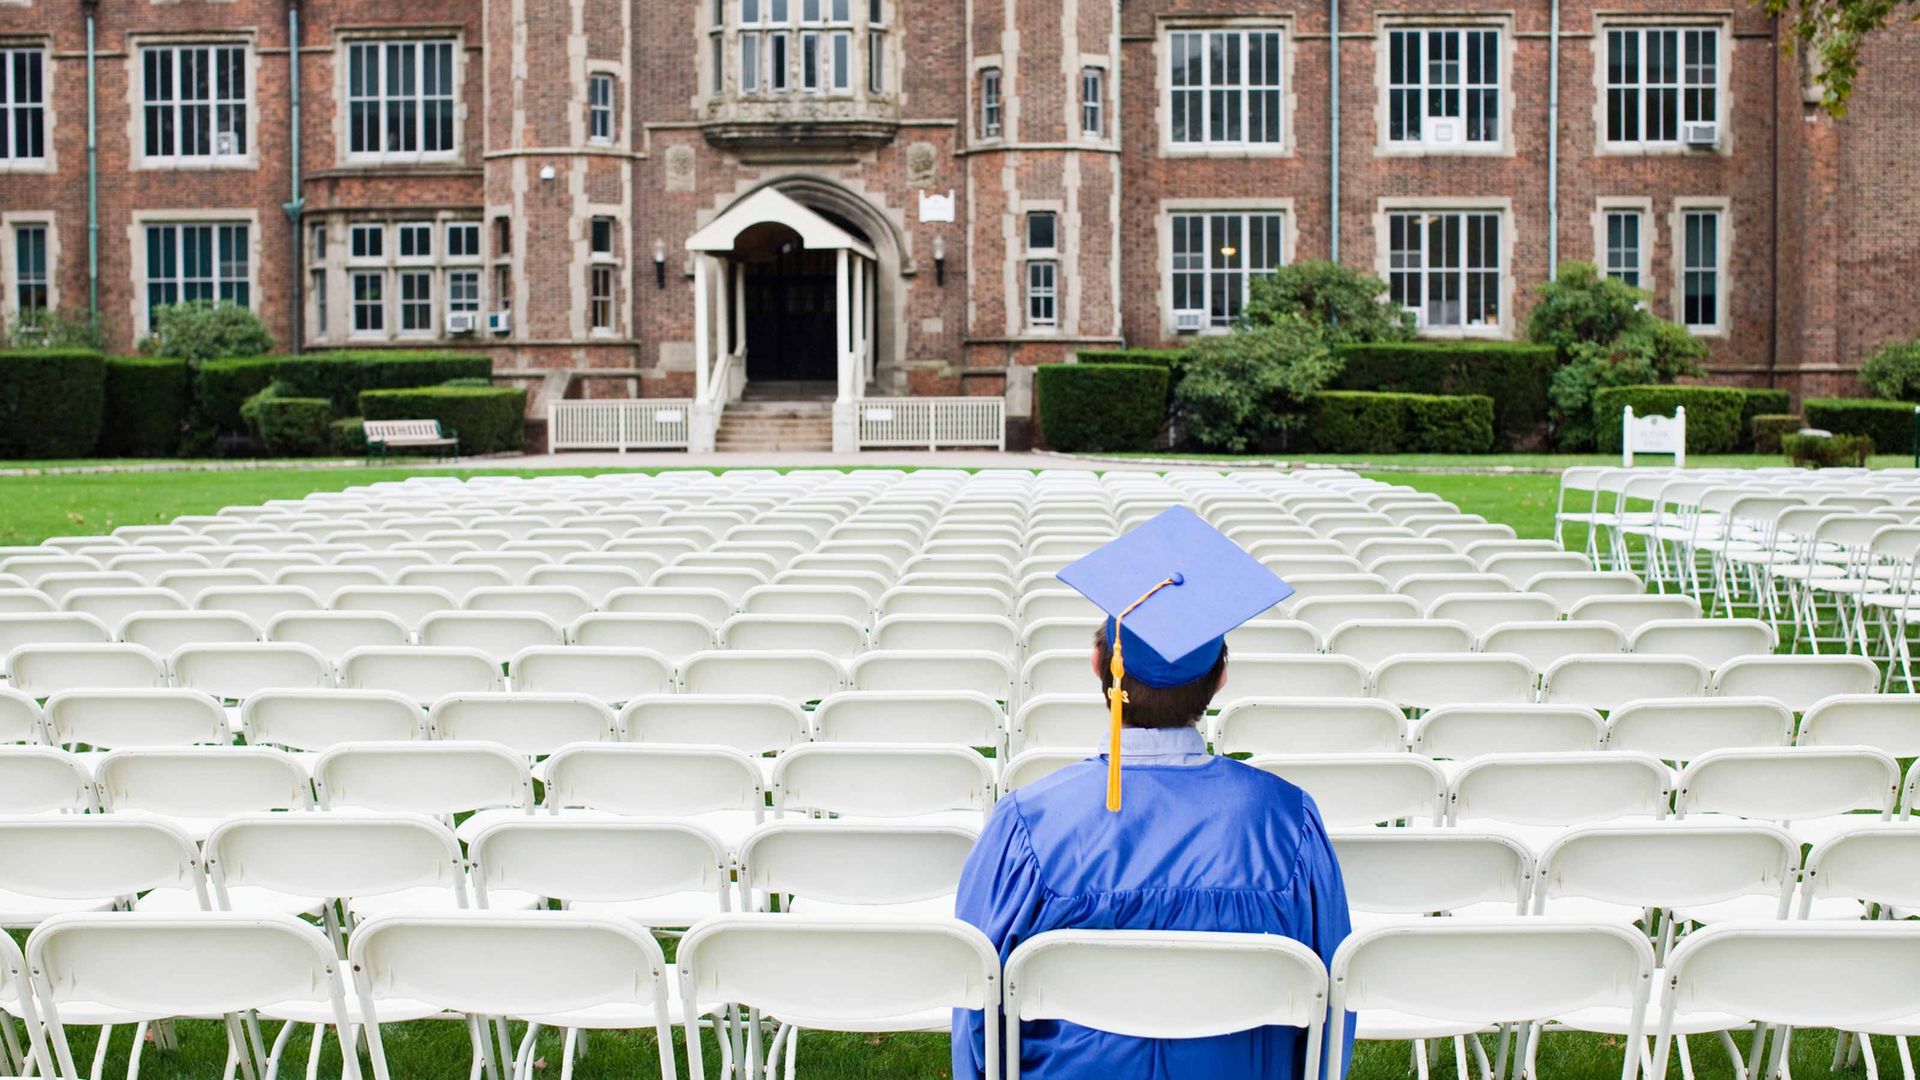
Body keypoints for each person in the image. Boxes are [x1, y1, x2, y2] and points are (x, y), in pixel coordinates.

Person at [953, 506, 1353, 1080]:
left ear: (1098, 667)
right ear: (1220, 678)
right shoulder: (1289, 826)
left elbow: (978, 1011)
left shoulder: (1026, 826)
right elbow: (1331, 1010)